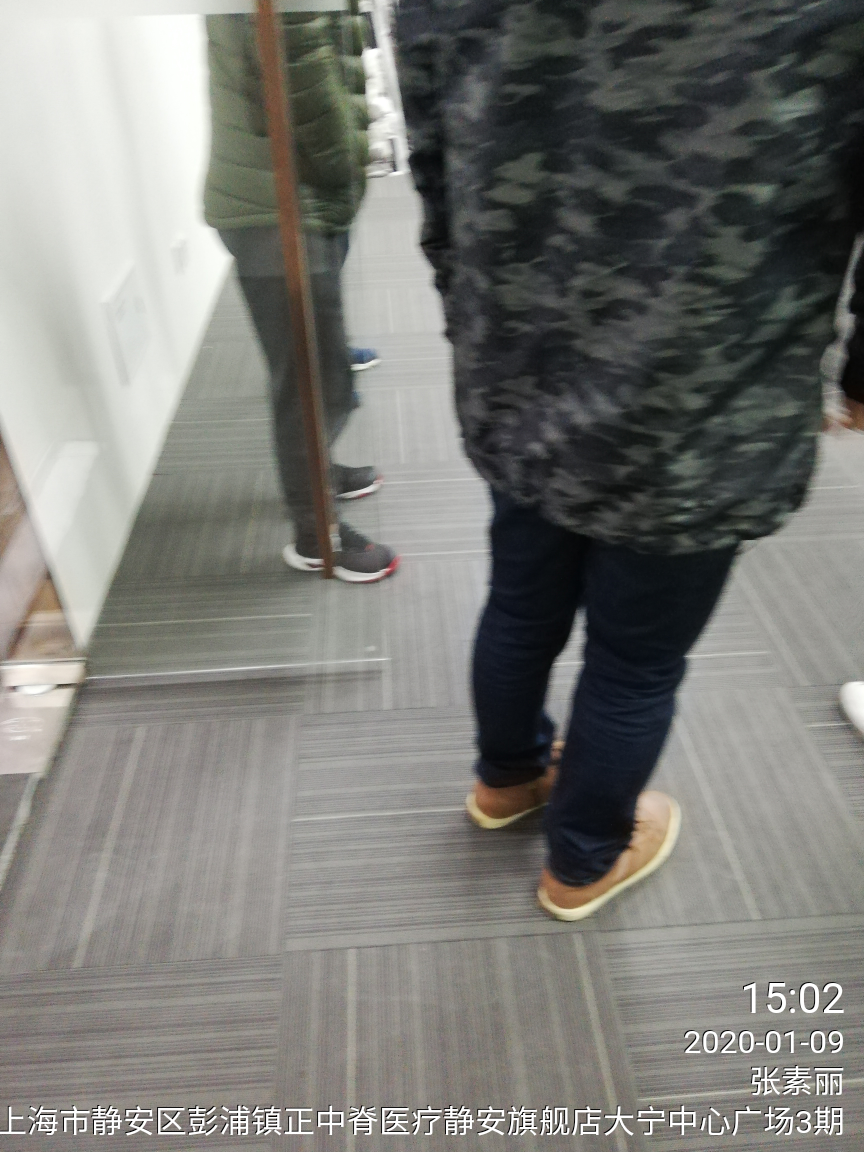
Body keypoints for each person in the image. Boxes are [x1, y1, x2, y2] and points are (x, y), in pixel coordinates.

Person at [396, 0, 864, 919]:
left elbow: (434, 154)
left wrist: (472, 319)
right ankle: (583, 859)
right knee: (636, 660)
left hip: (523, 364)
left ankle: (506, 780)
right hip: (702, 395)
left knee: (521, 601)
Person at [204, 8, 398, 583]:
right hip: (278, 205)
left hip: (284, 191)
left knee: (320, 367)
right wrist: (351, 164)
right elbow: (306, 91)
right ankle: (317, 536)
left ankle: (319, 474)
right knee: (310, 380)